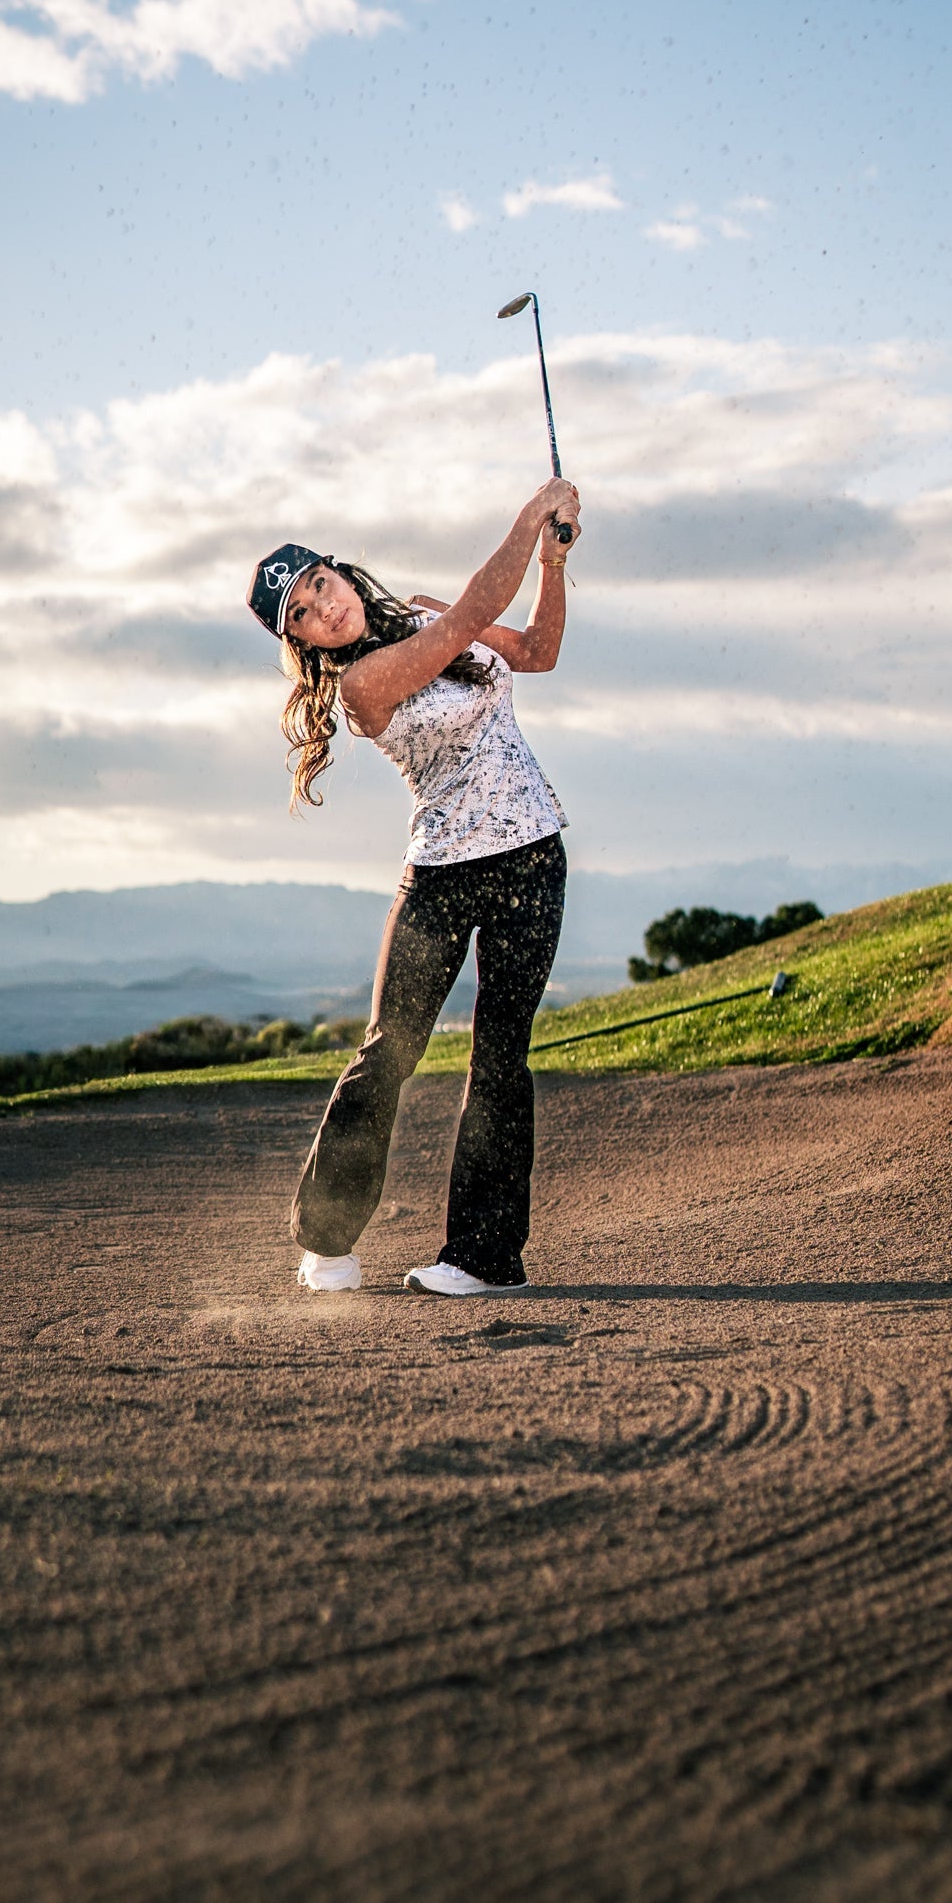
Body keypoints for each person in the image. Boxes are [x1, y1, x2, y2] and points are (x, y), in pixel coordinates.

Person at [245, 480, 581, 1298]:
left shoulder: (430, 619)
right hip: (441, 874)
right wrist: (530, 513)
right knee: (389, 1049)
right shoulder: (364, 686)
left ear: (342, 575)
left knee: (502, 1055)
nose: (323, 608)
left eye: (320, 584)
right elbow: (471, 619)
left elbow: (536, 650)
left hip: (533, 858)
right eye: (301, 614)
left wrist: (551, 561)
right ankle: (326, 1242)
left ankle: (484, 1258)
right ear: (302, 642)